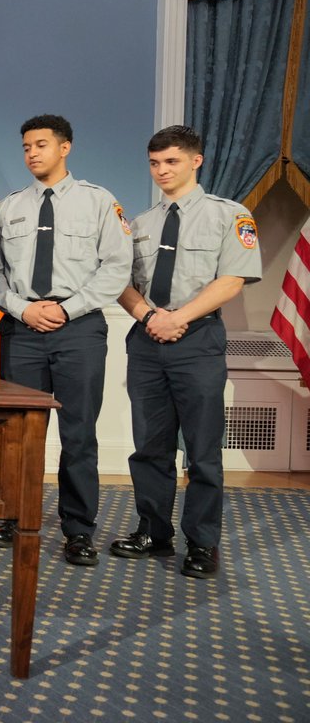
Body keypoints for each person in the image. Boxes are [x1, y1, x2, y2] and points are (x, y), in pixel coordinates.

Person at [110, 126, 260, 579]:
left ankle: (202, 543)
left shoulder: (229, 216)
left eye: (171, 162)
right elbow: (122, 284)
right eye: (154, 163)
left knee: (202, 451)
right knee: (150, 447)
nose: (161, 171)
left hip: (198, 342)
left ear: (196, 161)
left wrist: (179, 317)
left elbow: (231, 280)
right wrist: (148, 317)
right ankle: (154, 532)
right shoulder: (139, 224)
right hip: (147, 339)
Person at [0, 114, 132, 566]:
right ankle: (16, 516)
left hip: (79, 329)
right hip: (23, 328)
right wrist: (22, 308)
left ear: (65, 148)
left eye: (42, 145)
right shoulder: (8, 208)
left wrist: (67, 308)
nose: (32, 153)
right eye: (27, 146)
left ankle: (78, 531)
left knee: (79, 435)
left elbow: (117, 267)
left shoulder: (99, 203)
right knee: (21, 434)